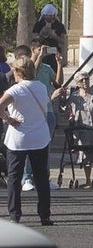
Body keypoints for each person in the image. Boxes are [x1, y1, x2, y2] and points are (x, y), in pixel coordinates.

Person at [0, 55, 54, 226]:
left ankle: (15, 215)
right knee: (41, 177)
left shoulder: (15, 90)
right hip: (39, 137)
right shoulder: (41, 87)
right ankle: (44, 215)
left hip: (19, 138)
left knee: (15, 178)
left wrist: (8, 119)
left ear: (17, 72)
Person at [62, 71, 93, 188]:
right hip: (83, 131)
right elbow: (67, 110)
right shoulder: (74, 97)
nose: (85, 82)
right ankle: (88, 180)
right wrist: (70, 115)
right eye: (82, 80)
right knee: (86, 154)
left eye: (86, 79)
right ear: (77, 83)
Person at [31, 4, 67, 73]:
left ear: (54, 15)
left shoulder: (59, 25)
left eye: (50, 16)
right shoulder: (39, 24)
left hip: (53, 52)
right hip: (41, 52)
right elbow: (33, 39)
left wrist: (54, 35)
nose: (48, 18)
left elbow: (63, 41)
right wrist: (41, 34)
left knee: (54, 71)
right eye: (46, 16)